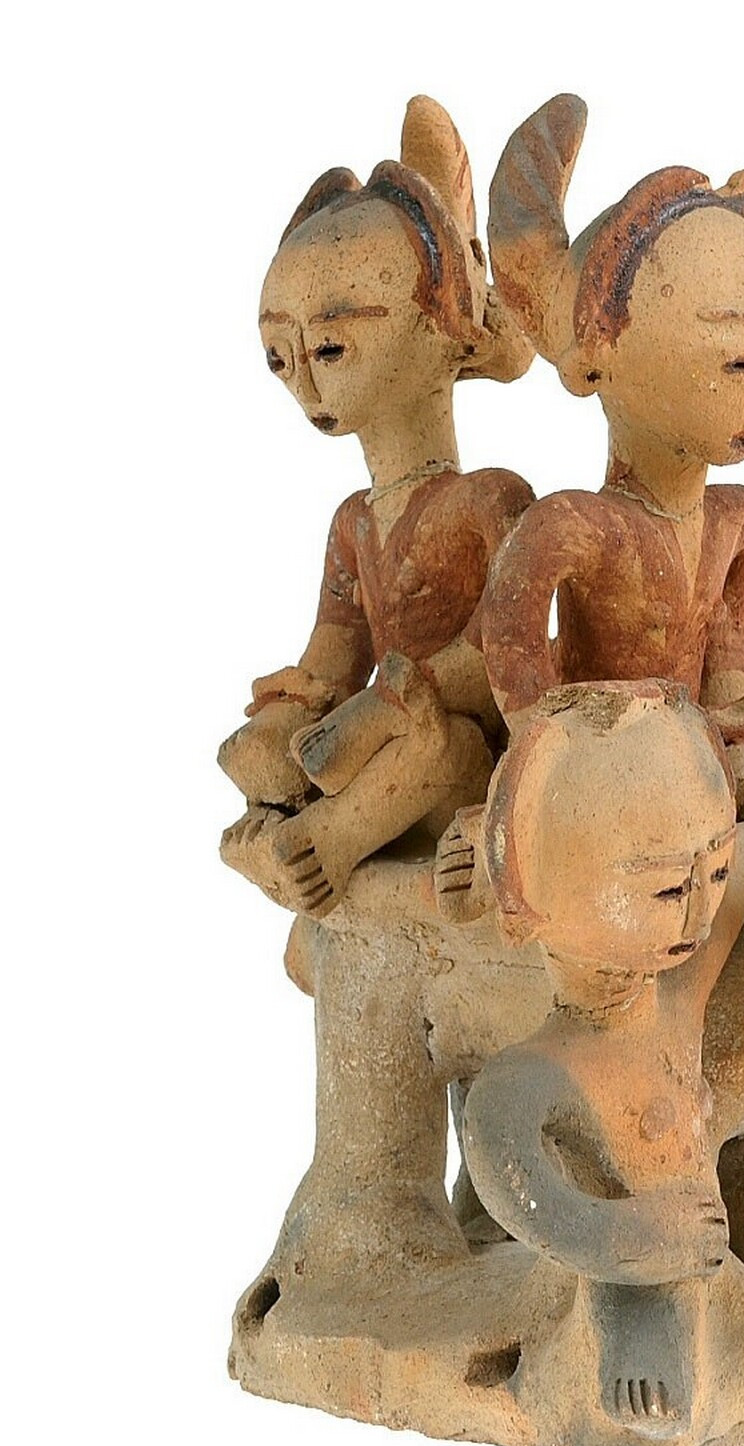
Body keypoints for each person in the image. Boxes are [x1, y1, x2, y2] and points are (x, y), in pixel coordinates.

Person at [460, 681, 744, 1443]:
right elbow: (508, 1170)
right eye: (667, 887)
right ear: (525, 900)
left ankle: (734, 1304)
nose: (698, 912)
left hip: (698, 1240)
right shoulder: (540, 1069)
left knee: (721, 1293)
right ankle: (639, 1329)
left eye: (712, 874)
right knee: (662, 1330)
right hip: (634, 1258)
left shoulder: (676, 994)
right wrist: (619, 1239)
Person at [219, 97, 534, 915]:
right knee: (267, 752)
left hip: (464, 755)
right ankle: (281, 831)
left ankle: (321, 843)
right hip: (372, 741)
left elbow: (510, 652)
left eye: (331, 346)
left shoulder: (490, 500)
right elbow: (330, 658)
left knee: (437, 746)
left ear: (445, 329)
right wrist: (288, 717)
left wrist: (394, 696)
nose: (306, 380)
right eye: (280, 355)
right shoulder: (353, 524)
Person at [479, 94, 744, 825]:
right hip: (599, 784)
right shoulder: (569, 527)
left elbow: (729, 663)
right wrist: (566, 764)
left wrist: (743, 725)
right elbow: (517, 670)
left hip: (695, 767)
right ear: (592, 359)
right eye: (738, 360)